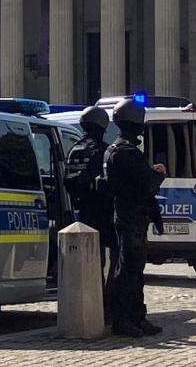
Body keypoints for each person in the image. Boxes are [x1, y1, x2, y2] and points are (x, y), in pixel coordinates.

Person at [103, 97, 166, 337]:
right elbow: (146, 185)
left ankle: (138, 317)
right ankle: (124, 319)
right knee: (129, 271)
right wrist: (158, 174)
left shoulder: (114, 150)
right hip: (130, 218)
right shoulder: (127, 152)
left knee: (135, 270)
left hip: (128, 216)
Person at [64, 105, 117, 309]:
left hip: (82, 211)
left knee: (87, 262)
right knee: (113, 257)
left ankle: (89, 302)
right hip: (104, 212)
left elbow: (67, 181)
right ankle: (106, 303)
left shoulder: (73, 150)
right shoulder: (104, 150)